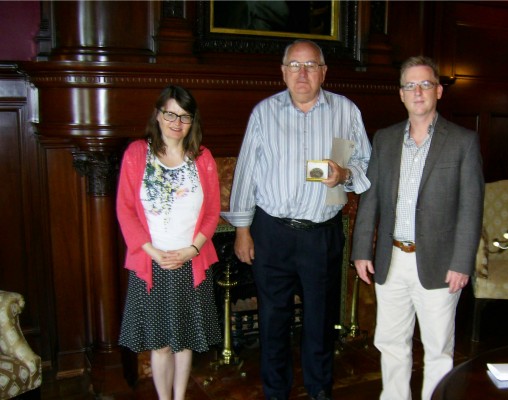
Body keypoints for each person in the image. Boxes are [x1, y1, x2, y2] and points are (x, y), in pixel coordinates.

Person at [222, 39, 371, 400]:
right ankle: (276, 392)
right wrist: (242, 230)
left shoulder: (346, 111)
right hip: (272, 232)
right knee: (273, 321)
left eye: (310, 66)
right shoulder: (263, 113)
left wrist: (345, 175)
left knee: (320, 322)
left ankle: (320, 390)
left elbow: (365, 164)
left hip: (322, 234)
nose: (302, 74)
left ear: (323, 72)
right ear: (283, 71)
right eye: (294, 65)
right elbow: (246, 174)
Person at [351, 56, 484, 400]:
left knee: (438, 348)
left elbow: (471, 208)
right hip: (392, 258)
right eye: (410, 85)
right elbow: (371, 198)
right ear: (401, 94)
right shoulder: (384, 139)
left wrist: (462, 262)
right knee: (391, 342)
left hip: (440, 263)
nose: (418, 91)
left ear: (438, 91)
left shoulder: (463, 141)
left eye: (425, 84)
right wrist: (362, 250)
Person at [116, 85, 222, 400]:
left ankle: (180, 397)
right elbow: (125, 210)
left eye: (184, 116)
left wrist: (192, 250)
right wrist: (152, 252)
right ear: (158, 115)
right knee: (160, 343)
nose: (177, 122)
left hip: (190, 264)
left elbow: (213, 212)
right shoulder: (137, 153)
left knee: (185, 341)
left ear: (193, 121)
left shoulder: (202, 158)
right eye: (170, 114)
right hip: (152, 263)